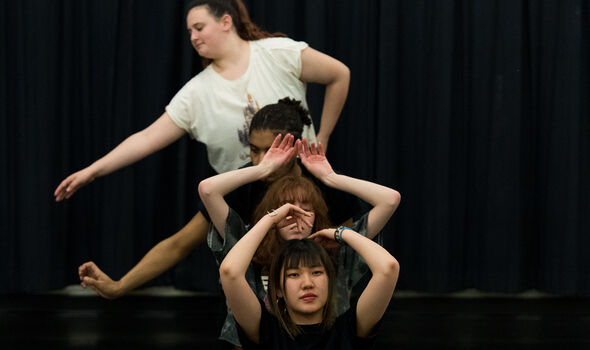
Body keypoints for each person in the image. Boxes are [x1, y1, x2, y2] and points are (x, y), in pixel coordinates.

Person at [54, 0, 350, 201]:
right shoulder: (195, 93)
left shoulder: (278, 54)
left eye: (199, 27)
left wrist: (322, 136)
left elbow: (339, 74)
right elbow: (146, 138)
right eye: (189, 32)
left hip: (303, 186)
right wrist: (91, 171)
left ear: (225, 22)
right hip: (245, 199)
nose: (193, 37)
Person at [77, 98, 360, 300]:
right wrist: (119, 286)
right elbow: (180, 243)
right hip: (257, 302)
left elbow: (347, 252)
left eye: (270, 150)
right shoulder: (242, 185)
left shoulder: (326, 185)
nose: (261, 160)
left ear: (295, 147)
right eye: (254, 150)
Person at [198, 133, 401, 346]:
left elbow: (389, 200)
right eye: (287, 209)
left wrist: (331, 178)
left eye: (305, 210)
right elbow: (208, 190)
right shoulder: (249, 248)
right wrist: (262, 171)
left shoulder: (336, 253)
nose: (295, 217)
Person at [218, 204, 399, 348]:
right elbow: (230, 272)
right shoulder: (265, 331)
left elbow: (388, 268)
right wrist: (271, 219)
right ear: (279, 289)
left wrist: (341, 233)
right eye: (294, 274)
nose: (307, 283)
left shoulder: (349, 329)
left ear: (330, 282)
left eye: (317, 272)